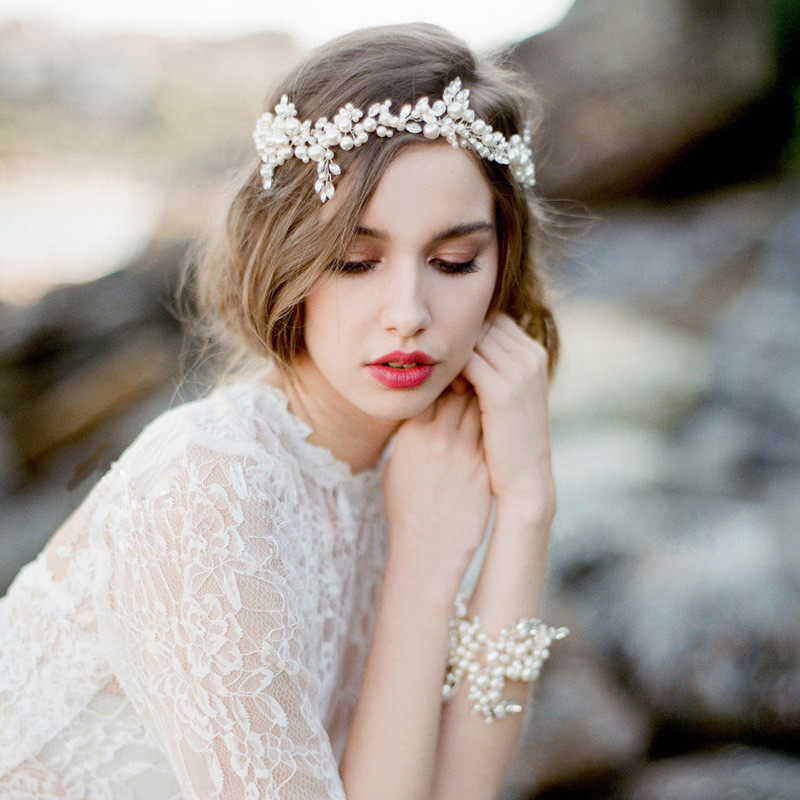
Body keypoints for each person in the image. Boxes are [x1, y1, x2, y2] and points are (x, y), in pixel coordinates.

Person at [0, 21, 569, 800]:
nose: (408, 313)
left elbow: (457, 791)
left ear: (502, 266)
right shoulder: (210, 487)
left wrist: (529, 507)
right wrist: (420, 575)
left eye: (453, 261)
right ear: (288, 255)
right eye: (356, 262)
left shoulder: (425, 472)